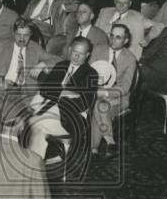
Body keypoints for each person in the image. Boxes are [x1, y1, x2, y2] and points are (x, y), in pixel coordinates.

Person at [25, 36, 98, 161]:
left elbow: (84, 103)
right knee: (37, 127)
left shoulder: (91, 74)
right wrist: (65, 93)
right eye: (74, 52)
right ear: (70, 50)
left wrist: (57, 94)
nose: (76, 57)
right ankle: (38, 163)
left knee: (36, 123)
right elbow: (45, 89)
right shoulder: (61, 65)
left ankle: (35, 163)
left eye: (80, 54)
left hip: (71, 116)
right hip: (49, 109)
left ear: (87, 55)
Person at [91, 23, 138, 159]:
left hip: (119, 97)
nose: (113, 40)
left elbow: (125, 87)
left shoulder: (130, 59)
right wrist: (97, 89)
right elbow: (89, 73)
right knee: (100, 106)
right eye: (111, 36)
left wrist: (105, 93)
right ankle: (110, 143)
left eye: (118, 37)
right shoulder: (98, 50)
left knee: (98, 106)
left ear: (126, 41)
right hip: (97, 92)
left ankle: (94, 149)